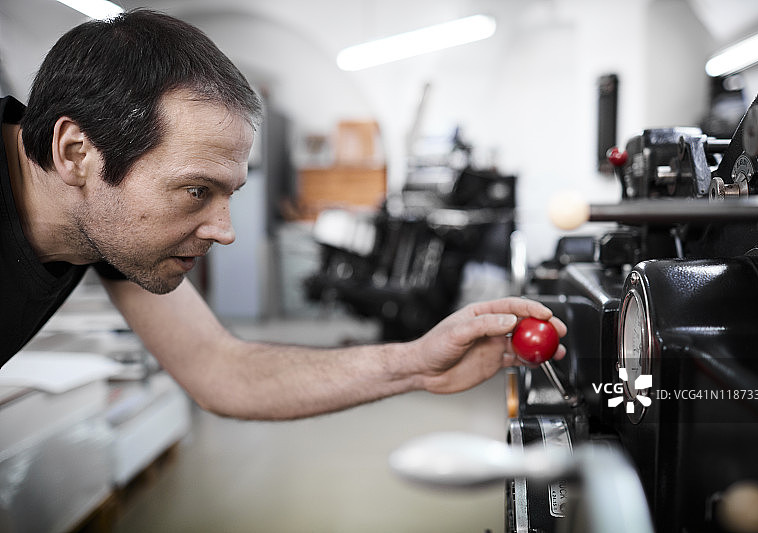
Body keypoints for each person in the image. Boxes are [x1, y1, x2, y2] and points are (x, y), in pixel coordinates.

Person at [0, 9, 566, 420]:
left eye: (228, 194)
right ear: (75, 152)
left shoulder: (106, 220)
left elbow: (222, 370)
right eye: (195, 190)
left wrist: (418, 363)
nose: (225, 232)